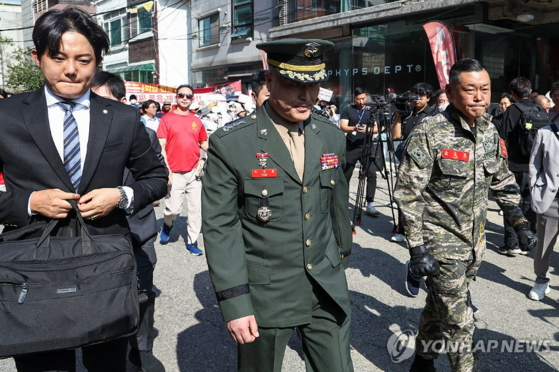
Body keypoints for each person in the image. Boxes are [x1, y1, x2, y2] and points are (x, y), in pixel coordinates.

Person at [0, 7, 167, 371]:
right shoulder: (7, 115)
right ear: (37, 57)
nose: (71, 69)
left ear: (98, 61)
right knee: (44, 362)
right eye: (57, 58)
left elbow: (156, 177)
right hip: (33, 264)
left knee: (108, 361)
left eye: (83, 59)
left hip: (104, 258)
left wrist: (120, 196)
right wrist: (29, 201)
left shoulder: (122, 117)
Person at [202, 38, 353, 372]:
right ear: (269, 81)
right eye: (293, 85)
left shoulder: (330, 135)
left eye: (313, 85)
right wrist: (235, 302)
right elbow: (220, 228)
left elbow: (337, 206)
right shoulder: (232, 144)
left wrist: (339, 260)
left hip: (325, 289)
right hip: (266, 295)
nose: (307, 96)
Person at [394, 58, 537, 372]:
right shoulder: (429, 131)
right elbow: (407, 192)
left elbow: (500, 177)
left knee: (438, 306)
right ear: (450, 91)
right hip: (439, 246)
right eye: (470, 90)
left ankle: (422, 362)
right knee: (461, 321)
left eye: (484, 89)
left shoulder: (487, 128)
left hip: (474, 243)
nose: (479, 97)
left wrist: (519, 221)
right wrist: (416, 248)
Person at [91, 71, 166, 372]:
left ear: (123, 103)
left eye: (103, 102)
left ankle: (141, 348)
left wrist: (122, 196)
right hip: (98, 236)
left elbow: (156, 182)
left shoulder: (143, 135)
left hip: (137, 232)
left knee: (143, 295)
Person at [498, 77, 549, 256]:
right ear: (529, 91)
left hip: (515, 165)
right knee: (530, 202)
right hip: (536, 166)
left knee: (512, 202)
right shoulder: (540, 109)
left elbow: (502, 136)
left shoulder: (512, 110)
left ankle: (512, 243)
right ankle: (527, 241)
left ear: (513, 94)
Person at [157, 84, 208, 255]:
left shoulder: (196, 120)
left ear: (192, 99)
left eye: (188, 96)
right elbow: (161, 146)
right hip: (174, 172)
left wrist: (221, 151)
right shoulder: (166, 119)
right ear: (176, 97)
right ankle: (168, 224)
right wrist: (167, 170)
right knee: (173, 210)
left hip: (194, 172)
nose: (185, 98)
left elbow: (204, 143)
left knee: (195, 210)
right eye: (181, 95)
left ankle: (192, 241)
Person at [391, 82, 434, 243]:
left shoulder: (433, 114)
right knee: (404, 196)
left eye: (421, 96)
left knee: (424, 199)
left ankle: (423, 231)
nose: (417, 99)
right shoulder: (408, 113)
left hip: (425, 164)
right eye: (415, 95)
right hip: (407, 162)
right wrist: (398, 115)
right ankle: (402, 230)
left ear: (428, 98)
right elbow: (396, 136)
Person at [527, 121, 559, 301]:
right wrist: (537, 189)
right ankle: (541, 279)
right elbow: (534, 165)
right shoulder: (545, 133)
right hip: (551, 199)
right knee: (545, 244)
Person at [340, 87, 381, 216]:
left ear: (367, 96)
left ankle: (370, 204)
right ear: (354, 98)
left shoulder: (371, 110)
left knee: (372, 174)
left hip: (367, 146)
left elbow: (376, 129)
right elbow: (343, 126)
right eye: (358, 99)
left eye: (363, 98)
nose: (361, 101)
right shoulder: (348, 109)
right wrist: (355, 128)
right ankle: (342, 203)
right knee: (346, 175)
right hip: (351, 146)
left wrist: (367, 130)